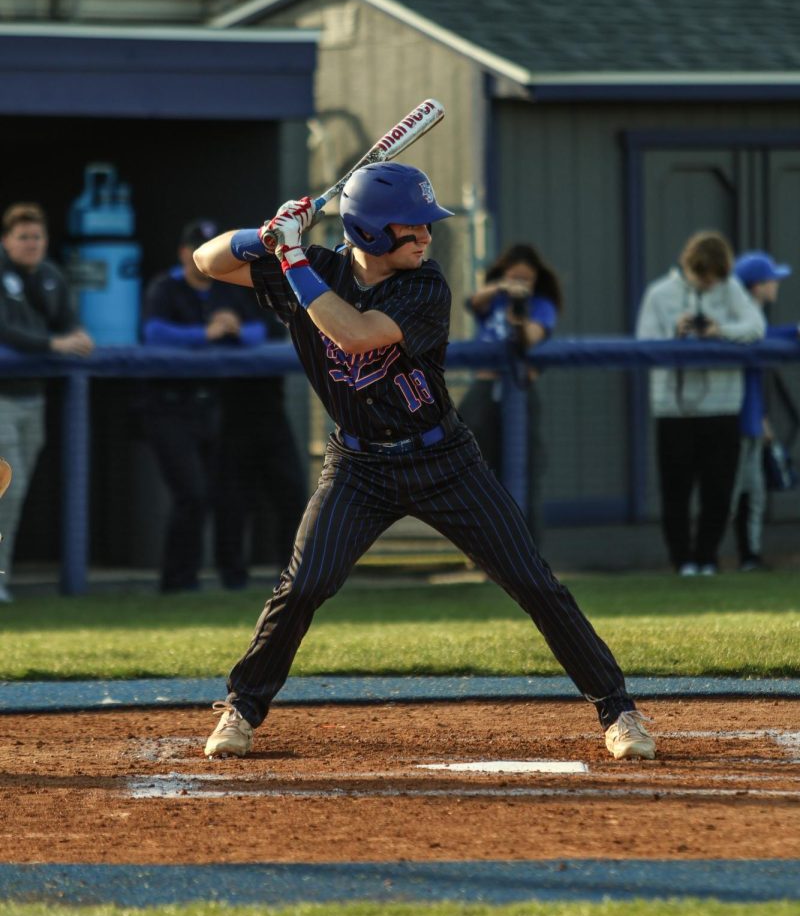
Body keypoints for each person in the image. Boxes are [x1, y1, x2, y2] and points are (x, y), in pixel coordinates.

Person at [193, 163, 655, 762]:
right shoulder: (314, 268)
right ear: (370, 233)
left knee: (533, 583)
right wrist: (268, 236)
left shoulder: (424, 286)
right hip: (357, 466)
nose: (426, 238)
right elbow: (208, 262)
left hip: (443, 458)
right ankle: (242, 708)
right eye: (411, 229)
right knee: (304, 584)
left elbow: (354, 334)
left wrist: (291, 258)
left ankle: (620, 712)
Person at [140, 219, 304, 592]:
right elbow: (153, 334)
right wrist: (205, 334)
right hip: (169, 405)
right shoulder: (165, 287)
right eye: (196, 246)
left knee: (232, 495)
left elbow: (262, 330)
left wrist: (233, 329)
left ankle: (284, 577)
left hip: (217, 409)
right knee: (195, 495)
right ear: (186, 252)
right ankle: (180, 583)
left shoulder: (227, 289)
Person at [635, 230, 765, 577]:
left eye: (715, 279)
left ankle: (707, 557)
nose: (709, 285)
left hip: (722, 407)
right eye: (703, 277)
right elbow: (643, 345)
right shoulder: (659, 294)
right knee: (675, 489)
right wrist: (674, 335)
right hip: (673, 408)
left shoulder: (730, 288)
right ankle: (683, 561)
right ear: (689, 266)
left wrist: (719, 330)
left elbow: (756, 326)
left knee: (719, 488)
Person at [0, 203, 94, 602]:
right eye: (23, 237)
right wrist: (53, 344)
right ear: (6, 240)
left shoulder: (52, 274)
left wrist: (76, 334)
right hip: (2, 396)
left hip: (33, 398)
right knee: (5, 488)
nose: (31, 244)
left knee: (16, 493)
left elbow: (66, 320)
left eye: (37, 236)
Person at [459, 243, 562, 546]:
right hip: (484, 389)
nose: (520, 285)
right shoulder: (494, 300)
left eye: (525, 279)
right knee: (476, 469)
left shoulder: (541, 305)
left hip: (519, 389)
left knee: (523, 471)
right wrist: (502, 288)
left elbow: (532, 336)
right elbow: (473, 302)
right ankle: (483, 549)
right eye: (514, 277)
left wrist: (520, 320)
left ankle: (527, 552)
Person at [731, 250, 795, 572]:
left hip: (754, 418)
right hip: (734, 419)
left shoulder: (756, 318)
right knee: (733, 492)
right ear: (756, 286)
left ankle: (750, 556)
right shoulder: (741, 320)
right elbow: (759, 339)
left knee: (754, 491)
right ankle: (708, 557)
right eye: (771, 280)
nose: (776, 284)